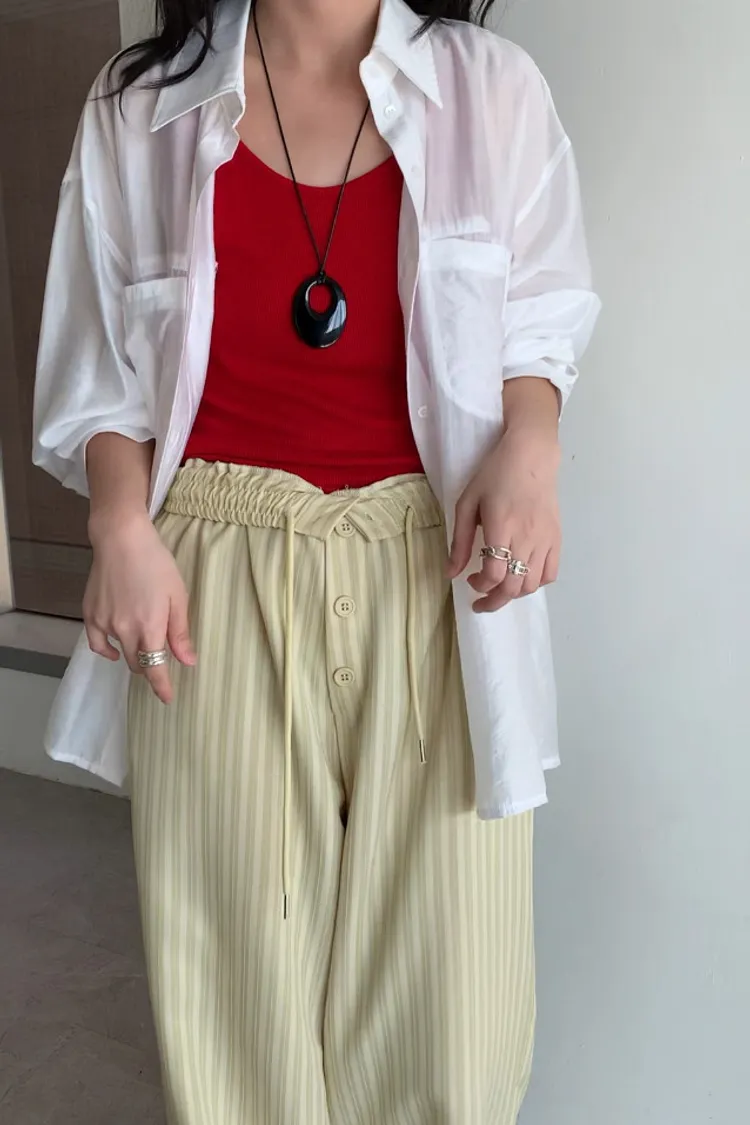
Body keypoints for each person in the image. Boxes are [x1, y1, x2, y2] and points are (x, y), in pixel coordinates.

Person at [33, 0, 600, 1121]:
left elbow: (543, 314)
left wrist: (532, 450)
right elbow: (99, 366)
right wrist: (121, 526)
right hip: (211, 579)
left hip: (439, 577)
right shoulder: (140, 107)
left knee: (455, 1014)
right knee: (236, 1004)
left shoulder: (491, 88)